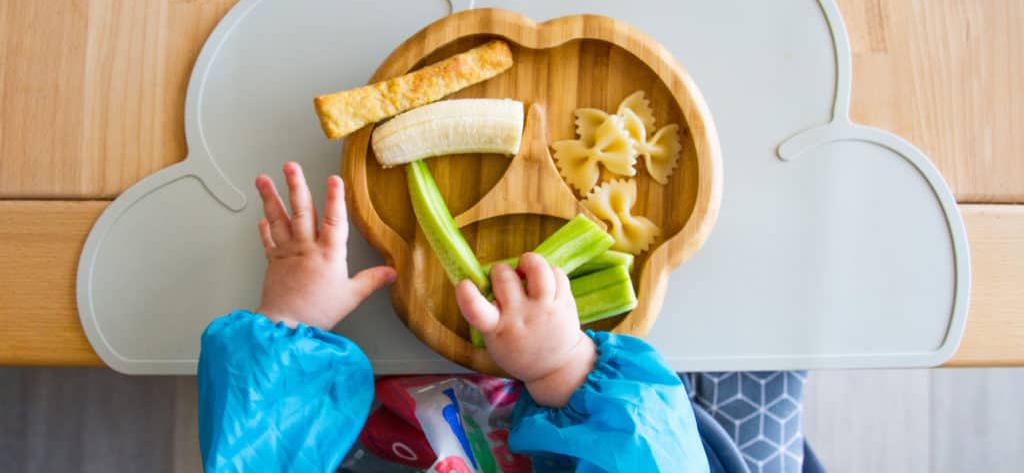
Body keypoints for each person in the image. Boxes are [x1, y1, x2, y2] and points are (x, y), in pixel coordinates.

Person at [197, 163, 810, 472]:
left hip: (361, 416)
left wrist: (290, 321)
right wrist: (563, 366)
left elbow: (255, 453)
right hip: (597, 418)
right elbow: (650, 455)